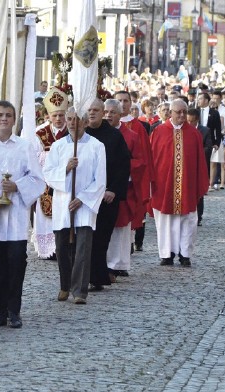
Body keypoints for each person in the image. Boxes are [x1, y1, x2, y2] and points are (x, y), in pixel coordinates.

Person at [0, 101, 44, 328]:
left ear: (14, 119)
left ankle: (14, 310)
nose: (4, 119)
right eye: (0, 115)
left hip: (15, 214)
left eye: (8, 115)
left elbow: (37, 179)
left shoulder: (24, 146)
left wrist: (17, 186)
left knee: (16, 261)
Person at [43, 108, 106, 304]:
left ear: (85, 122)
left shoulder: (97, 146)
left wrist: (83, 199)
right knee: (62, 246)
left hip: (86, 204)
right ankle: (65, 285)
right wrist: (66, 169)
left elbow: (100, 179)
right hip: (63, 202)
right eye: (69, 119)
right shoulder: (58, 146)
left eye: (76, 119)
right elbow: (48, 173)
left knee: (82, 248)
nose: (71, 122)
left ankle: (79, 290)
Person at [149, 99, 209, 266]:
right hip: (163, 185)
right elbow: (153, 158)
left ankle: (185, 254)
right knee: (165, 221)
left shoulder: (194, 134)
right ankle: (167, 254)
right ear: (170, 113)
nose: (182, 115)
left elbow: (200, 162)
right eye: (178, 112)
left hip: (187, 185)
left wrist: (200, 183)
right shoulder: (159, 132)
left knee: (188, 219)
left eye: (184, 112)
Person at [84, 99, 130, 290]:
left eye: (96, 110)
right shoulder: (81, 135)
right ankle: (80, 277)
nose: (92, 113)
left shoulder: (114, 136)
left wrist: (113, 189)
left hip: (106, 196)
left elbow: (123, 165)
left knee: (101, 238)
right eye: (89, 110)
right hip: (84, 197)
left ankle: (98, 277)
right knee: (84, 238)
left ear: (103, 112)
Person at [103, 99, 145, 279]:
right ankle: (104, 263)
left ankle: (119, 263)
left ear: (120, 115)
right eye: (106, 112)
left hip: (123, 188)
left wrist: (123, 169)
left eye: (113, 112)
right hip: (101, 187)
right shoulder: (98, 134)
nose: (108, 115)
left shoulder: (131, 136)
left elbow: (139, 161)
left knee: (121, 228)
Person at [32, 87, 69, 260]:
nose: (59, 119)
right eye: (55, 116)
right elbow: (34, 157)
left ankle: (63, 246)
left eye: (61, 115)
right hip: (46, 181)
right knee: (46, 213)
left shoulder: (72, 130)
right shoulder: (40, 133)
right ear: (49, 115)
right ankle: (49, 249)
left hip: (67, 180)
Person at [115, 91, 152, 253]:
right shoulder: (107, 124)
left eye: (125, 101)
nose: (122, 104)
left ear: (131, 103)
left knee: (130, 213)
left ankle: (129, 246)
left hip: (131, 179)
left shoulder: (138, 126)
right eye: (119, 101)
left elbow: (143, 156)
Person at [187, 109, 213, 226]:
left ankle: (199, 215)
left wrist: (195, 153)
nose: (189, 123)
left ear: (197, 120)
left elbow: (208, 147)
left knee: (199, 190)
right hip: (187, 166)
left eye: (192, 121)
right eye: (188, 121)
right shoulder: (184, 130)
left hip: (200, 165)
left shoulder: (205, 130)